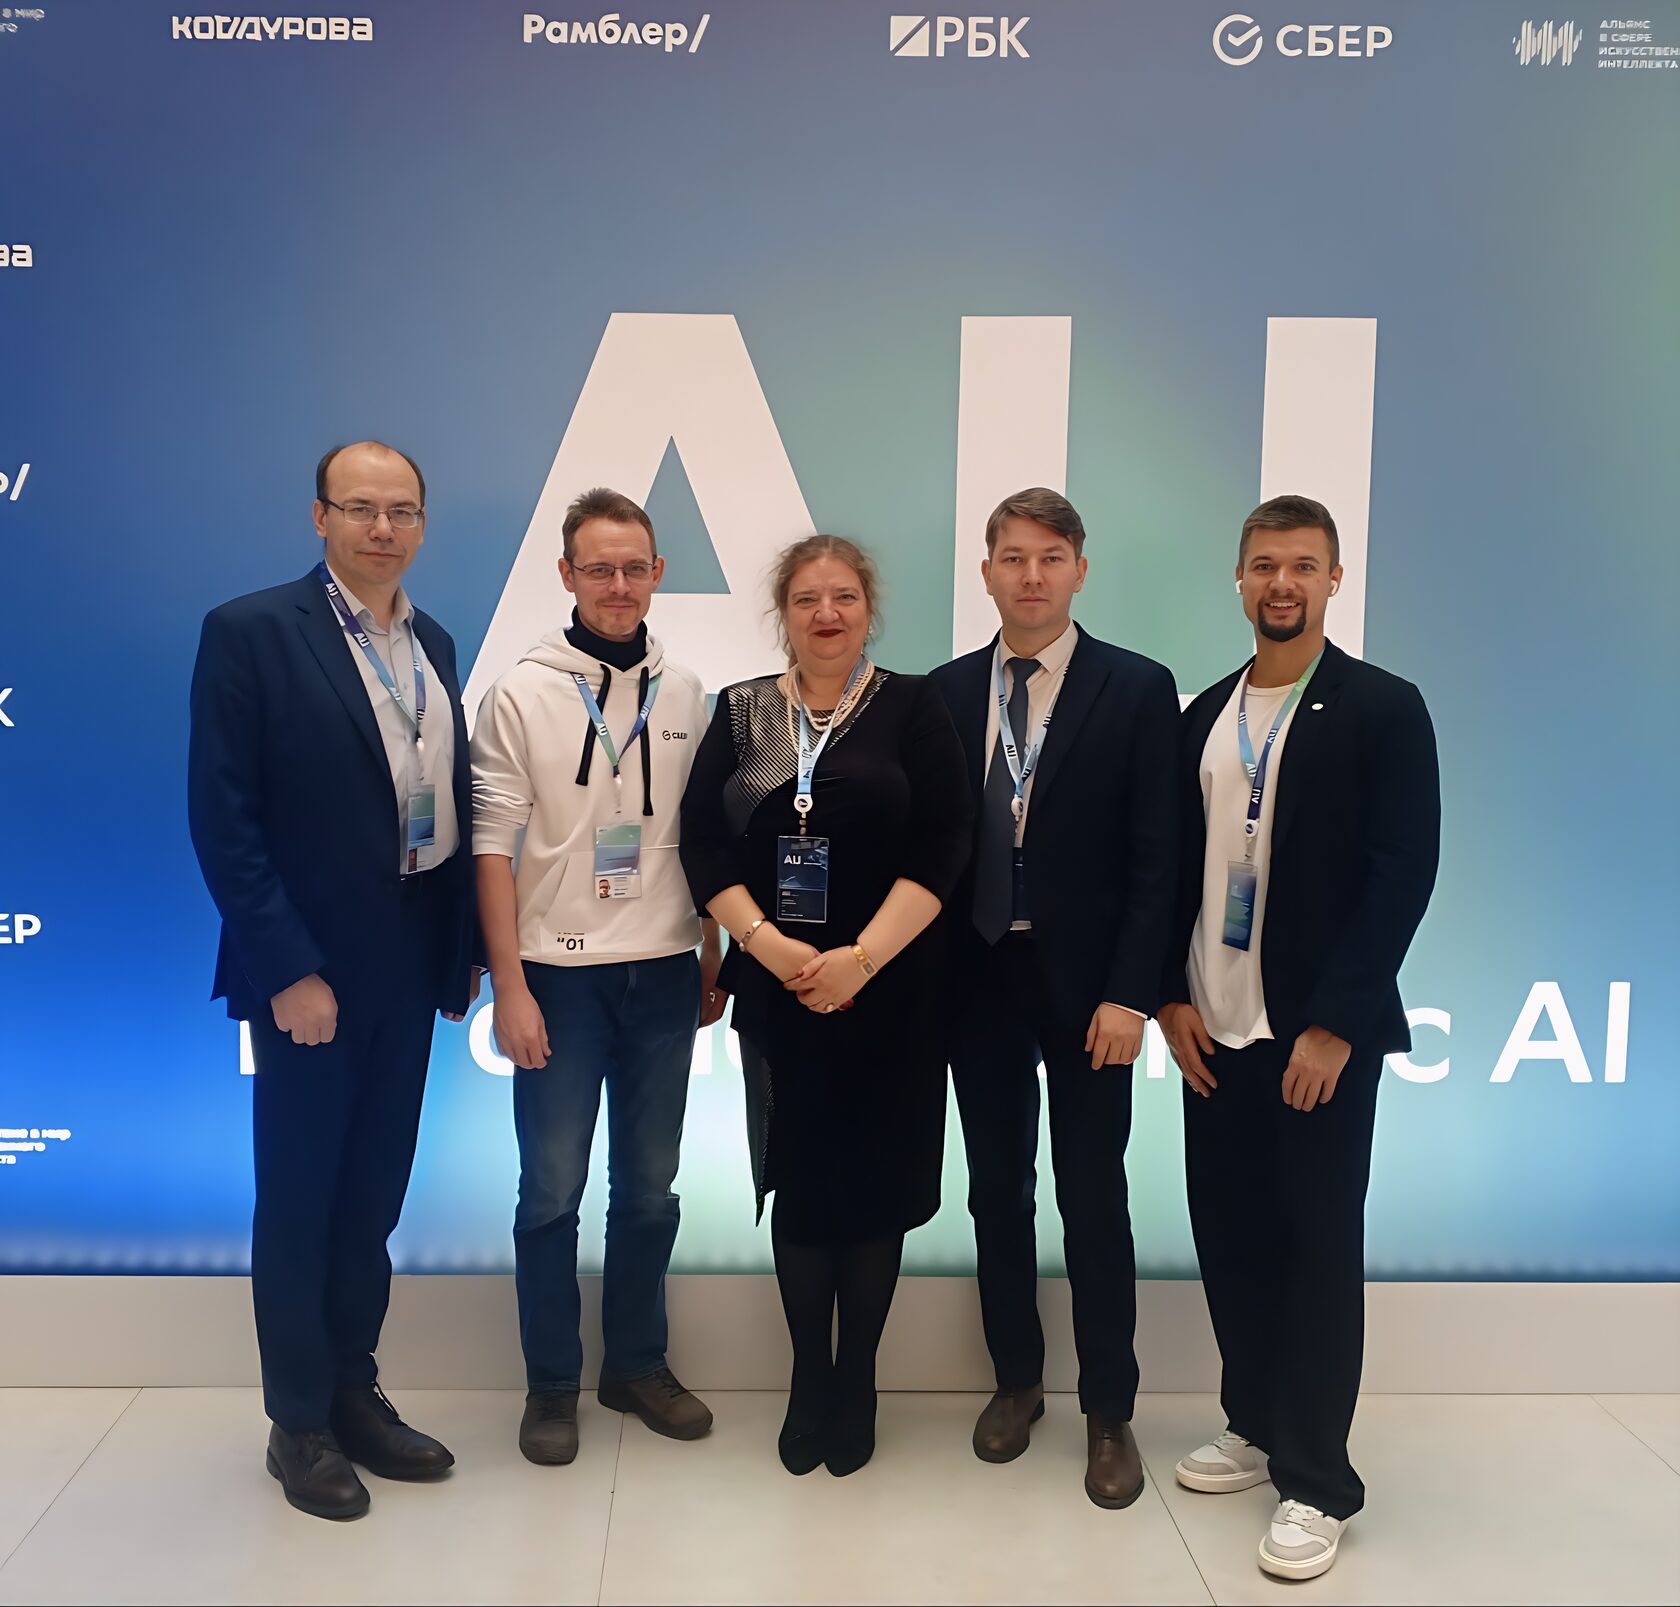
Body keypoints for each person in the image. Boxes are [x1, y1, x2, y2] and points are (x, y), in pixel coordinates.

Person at [187, 441, 479, 1520]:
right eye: (359, 507)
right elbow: (224, 819)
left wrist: (456, 953)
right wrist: (288, 970)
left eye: (402, 509)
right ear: (320, 516)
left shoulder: (432, 641)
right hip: (309, 971)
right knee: (302, 1197)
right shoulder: (252, 630)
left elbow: (442, 804)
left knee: (372, 1197)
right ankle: (298, 1421)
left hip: (409, 961)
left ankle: (355, 1390)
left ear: (422, 522)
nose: (382, 528)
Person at [1158, 495, 1440, 1582]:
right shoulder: (1206, 712)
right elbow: (1171, 870)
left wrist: (1335, 1023)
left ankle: (1318, 1479)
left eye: (1304, 565)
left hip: (1315, 1036)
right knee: (1231, 1234)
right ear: (1239, 578)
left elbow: (1402, 872)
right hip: (1212, 1027)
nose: (1283, 583)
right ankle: (1257, 1420)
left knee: (1318, 1246)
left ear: (1333, 580)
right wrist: (1169, 996)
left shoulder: (1383, 707)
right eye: (1266, 564)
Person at [679, 536, 972, 1478]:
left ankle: (859, 1382)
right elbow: (702, 843)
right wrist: (766, 945)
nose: (827, 613)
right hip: (780, 988)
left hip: (893, 990)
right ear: (784, 612)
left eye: (844, 596)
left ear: (868, 609)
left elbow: (945, 842)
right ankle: (811, 1379)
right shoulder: (745, 711)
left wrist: (861, 958)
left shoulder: (914, 705)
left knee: (876, 1193)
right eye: (807, 598)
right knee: (802, 1190)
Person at [929, 488, 1180, 1509]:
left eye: (1050, 556)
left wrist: (1132, 993)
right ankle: (1017, 1379)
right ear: (986, 570)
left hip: (1091, 991)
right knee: (997, 1193)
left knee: (1094, 1196)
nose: (1031, 575)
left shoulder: (1138, 686)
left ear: (1080, 568)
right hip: (978, 977)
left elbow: (1159, 857)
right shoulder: (945, 691)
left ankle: (1109, 1410)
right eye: (1013, 556)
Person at [471, 487, 723, 1466]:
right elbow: (491, 849)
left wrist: (708, 954)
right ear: (567, 574)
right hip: (557, 980)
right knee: (550, 1192)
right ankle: (551, 1383)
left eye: (634, 568)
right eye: (599, 568)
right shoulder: (522, 692)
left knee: (650, 1190)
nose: (618, 585)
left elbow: (702, 841)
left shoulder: (688, 691)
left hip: (662, 973)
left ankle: (636, 1364)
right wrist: (509, 987)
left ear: (658, 574)